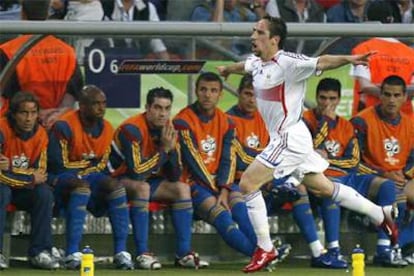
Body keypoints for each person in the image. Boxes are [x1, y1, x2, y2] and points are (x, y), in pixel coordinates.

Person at [217, 15, 398, 273]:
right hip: (291, 136)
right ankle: (381, 214)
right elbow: (243, 66)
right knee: (324, 188)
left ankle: (265, 248)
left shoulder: (289, 62)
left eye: (258, 32)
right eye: (253, 31)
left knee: (247, 183)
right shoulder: (257, 62)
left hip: (288, 137)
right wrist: (226, 70)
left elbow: (322, 61)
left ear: (274, 39)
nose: (252, 36)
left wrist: (349, 59)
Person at [227, 74, 346, 269]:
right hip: (240, 181)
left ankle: (319, 253)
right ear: (238, 94)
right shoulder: (229, 120)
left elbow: (282, 151)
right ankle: (264, 250)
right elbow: (238, 156)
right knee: (241, 198)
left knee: (300, 188)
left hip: (269, 178)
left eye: (256, 95)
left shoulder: (268, 119)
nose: (252, 100)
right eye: (248, 94)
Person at [304, 77, 407, 267]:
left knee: (387, 186)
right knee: (330, 189)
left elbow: (353, 161)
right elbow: (309, 156)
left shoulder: (346, 125)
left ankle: (384, 249)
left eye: (332, 99)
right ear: (316, 97)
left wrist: (327, 160)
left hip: (349, 176)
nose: (328, 103)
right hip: (320, 179)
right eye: (323, 98)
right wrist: (326, 121)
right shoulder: (306, 121)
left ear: (339, 99)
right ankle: (333, 250)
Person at [108, 87, 208, 269]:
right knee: (142, 187)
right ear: (147, 107)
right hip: (116, 180)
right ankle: (142, 253)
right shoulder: (132, 129)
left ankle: (183, 253)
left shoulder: (169, 129)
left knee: (181, 188)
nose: (163, 114)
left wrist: (170, 151)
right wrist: (164, 150)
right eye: (157, 108)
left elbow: (175, 175)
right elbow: (137, 172)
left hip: (148, 179)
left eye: (167, 108)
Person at [173, 72, 261, 265]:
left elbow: (229, 158)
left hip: (221, 184)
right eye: (203, 89)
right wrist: (218, 192)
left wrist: (225, 189)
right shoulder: (183, 121)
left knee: (240, 207)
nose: (207, 95)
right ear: (196, 91)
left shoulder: (227, 121)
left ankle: (264, 251)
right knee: (223, 218)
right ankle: (258, 255)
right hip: (194, 183)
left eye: (213, 90)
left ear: (220, 94)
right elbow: (193, 161)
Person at [47, 85, 134, 270]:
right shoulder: (64, 126)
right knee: (81, 186)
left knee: (115, 186)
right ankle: (72, 253)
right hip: (59, 178)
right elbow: (58, 164)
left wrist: (85, 168)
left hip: (88, 175)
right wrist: (87, 166)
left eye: (104, 103)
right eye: (96, 104)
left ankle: (121, 252)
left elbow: (102, 164)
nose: (101, 108)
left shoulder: (108, 128)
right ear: (83, 106)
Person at [351, 75, 414, 265]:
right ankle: (385, 249)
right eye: (387, 95)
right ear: (380, 96)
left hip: (400, 177)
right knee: (399, 201)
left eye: (396, 95)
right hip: (370, 177)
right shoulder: (361, 121)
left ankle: (397, 246)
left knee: (400, 193)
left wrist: (405, 175)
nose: (391, 100)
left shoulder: (411, 125)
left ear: (404, 97)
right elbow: (354, 160)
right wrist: (382, 173)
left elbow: (412, 158)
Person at [0, 0, 84, 129]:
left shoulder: (8, 51)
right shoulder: (67, 51)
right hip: (55, 124)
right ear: (47, 14)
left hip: (19, 129)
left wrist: (34, 114)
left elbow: (6, 94)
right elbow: (73, 91)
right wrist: (57, 113)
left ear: (22, 13)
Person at [0, 92, 59, 270]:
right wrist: (28, 177)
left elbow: (40, 173)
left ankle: (40, 252)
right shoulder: (2, 130)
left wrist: (11, 170)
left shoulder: (41, 135)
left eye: (33, 113)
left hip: (21, 185)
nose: (29, 118)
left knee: (44, 193)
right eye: (23, 113)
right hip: (4, 185)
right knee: (2, 191)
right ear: (13, 114)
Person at [350, 0, 414, 117]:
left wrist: (386, 93)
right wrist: (398, 94)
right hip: (403, 120)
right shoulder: (410, 53)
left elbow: (365, 86)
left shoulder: (362, 49)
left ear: (366, 19)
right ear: (390, 20)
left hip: (368, 119)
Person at [101, 0, 170, 60]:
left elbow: (157, 43)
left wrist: (168, 65)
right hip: (111, 61)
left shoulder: (148, 8)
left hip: (138, 63)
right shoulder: (105, 7)